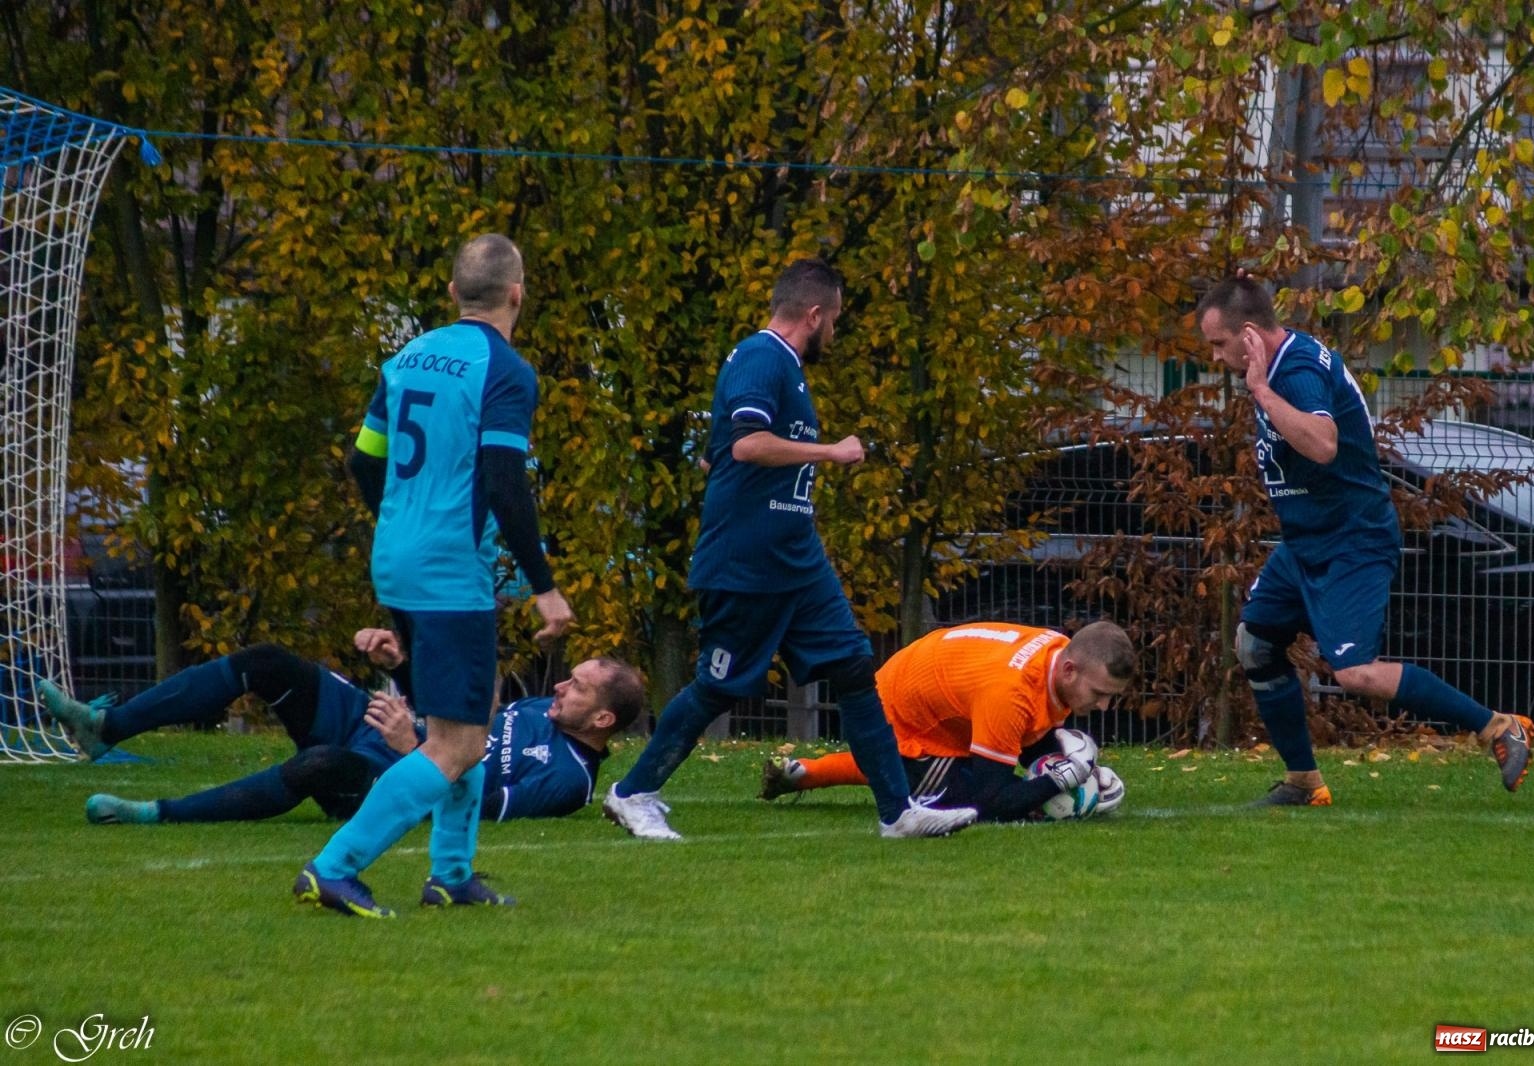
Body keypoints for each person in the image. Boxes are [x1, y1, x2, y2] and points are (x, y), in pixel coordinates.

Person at [601, 258, 977, 840]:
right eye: (837, 321)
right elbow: (747, 444)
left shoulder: (786, 370)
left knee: (855, 670)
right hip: (746, 564)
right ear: (815, 313)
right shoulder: (761, 357)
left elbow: (713, 456)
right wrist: (831, 452)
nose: (837, 333)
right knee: (719, 685)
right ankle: (633, 792)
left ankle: (898, 813)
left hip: (797, 563)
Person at [296, 233, 574, 917]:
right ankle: (334, 866)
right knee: (458, 743)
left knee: (466, 716)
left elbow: (364, 461)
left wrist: (401, 518)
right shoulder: (505, 371)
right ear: (518, 293)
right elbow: (506, 482)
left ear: (452, 293)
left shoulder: (406, 357)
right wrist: (545, 587)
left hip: (398, 556)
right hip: (451, 571)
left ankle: (450, 872)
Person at [1195, 274, 1534, 805]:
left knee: (1354, 672)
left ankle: (1497, 726)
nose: (1217, 357)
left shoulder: (1296, 371)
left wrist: (1261, 391)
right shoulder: (1285, 360)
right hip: (1308, 541)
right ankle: (1303, 783)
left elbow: (1324, 444)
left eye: (1220, 344)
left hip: (1353, 540)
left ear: (1252, 335)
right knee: (1256, 645)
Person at [38, 632, 640, 826]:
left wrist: (415, 750)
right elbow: (462, 711)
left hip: (394, 773)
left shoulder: (566, 781)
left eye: (578, 687)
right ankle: (106, 726)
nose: (561, 686)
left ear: (603, 720)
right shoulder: (544, 711)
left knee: (318, 765)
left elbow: (472, 808)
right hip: (379, 724)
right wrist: (398, 667)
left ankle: (153, 813)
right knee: (267, 661)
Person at [759, 620, 1134, 820]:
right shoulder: (1010, 693)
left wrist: (1084, 769)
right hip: (895, 719)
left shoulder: (1055, 650)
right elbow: (994, 802)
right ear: (1069, 670)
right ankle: (868, 765)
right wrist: (1062, 778)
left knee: (993, 780)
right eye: (1099, 694)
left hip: (930, 694)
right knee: (966, 804)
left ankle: (806, 771)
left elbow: (1030, 733)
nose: (1102, 707)